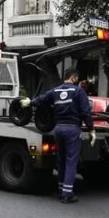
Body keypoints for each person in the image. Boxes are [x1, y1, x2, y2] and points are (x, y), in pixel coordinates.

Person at [21, 68, 96, 204]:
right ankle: (67, 194)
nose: (77, 81)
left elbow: (41, 100)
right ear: (73, 78)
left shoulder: (55, 91)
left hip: (58, 129)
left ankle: (61, 190)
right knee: (71, 161)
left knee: (61, 160)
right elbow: (86, 112)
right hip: (72, 129)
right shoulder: (78, 92)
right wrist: (91, 130)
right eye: (76, 79)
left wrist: (29, 102)